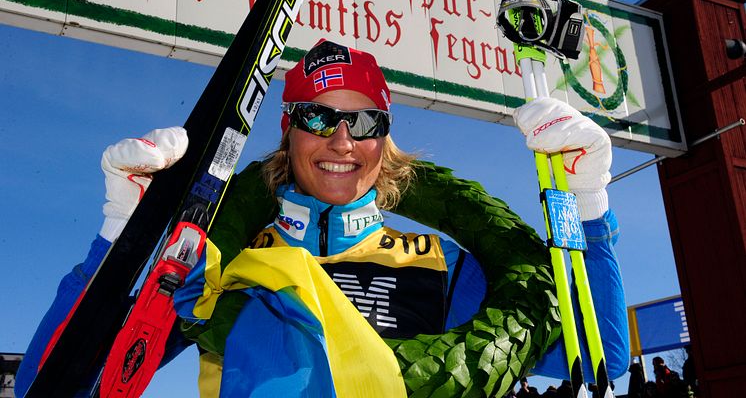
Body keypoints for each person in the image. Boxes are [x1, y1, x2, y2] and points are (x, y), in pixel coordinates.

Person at [16, 40, 629, 397]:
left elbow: (597, 358)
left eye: (364, 122)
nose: (341, 140)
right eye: (316, 117)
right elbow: (58, 384)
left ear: (384, 140)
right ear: (287, 133)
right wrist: (118, 235)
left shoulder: (438, 265)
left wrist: (586, 204)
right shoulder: (221, 265)